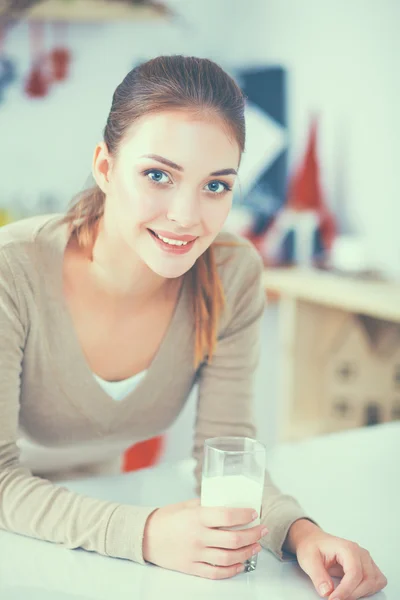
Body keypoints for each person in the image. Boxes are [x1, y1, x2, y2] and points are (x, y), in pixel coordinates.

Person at [0, 55, 386, 599]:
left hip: (101, 515)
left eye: (215, 186)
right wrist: (147, 533)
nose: (187, 216)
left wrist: (301, 535)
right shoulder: (12, 270)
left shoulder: (232, 273)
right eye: (158, 175)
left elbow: (223, 457)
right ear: (105, 168)